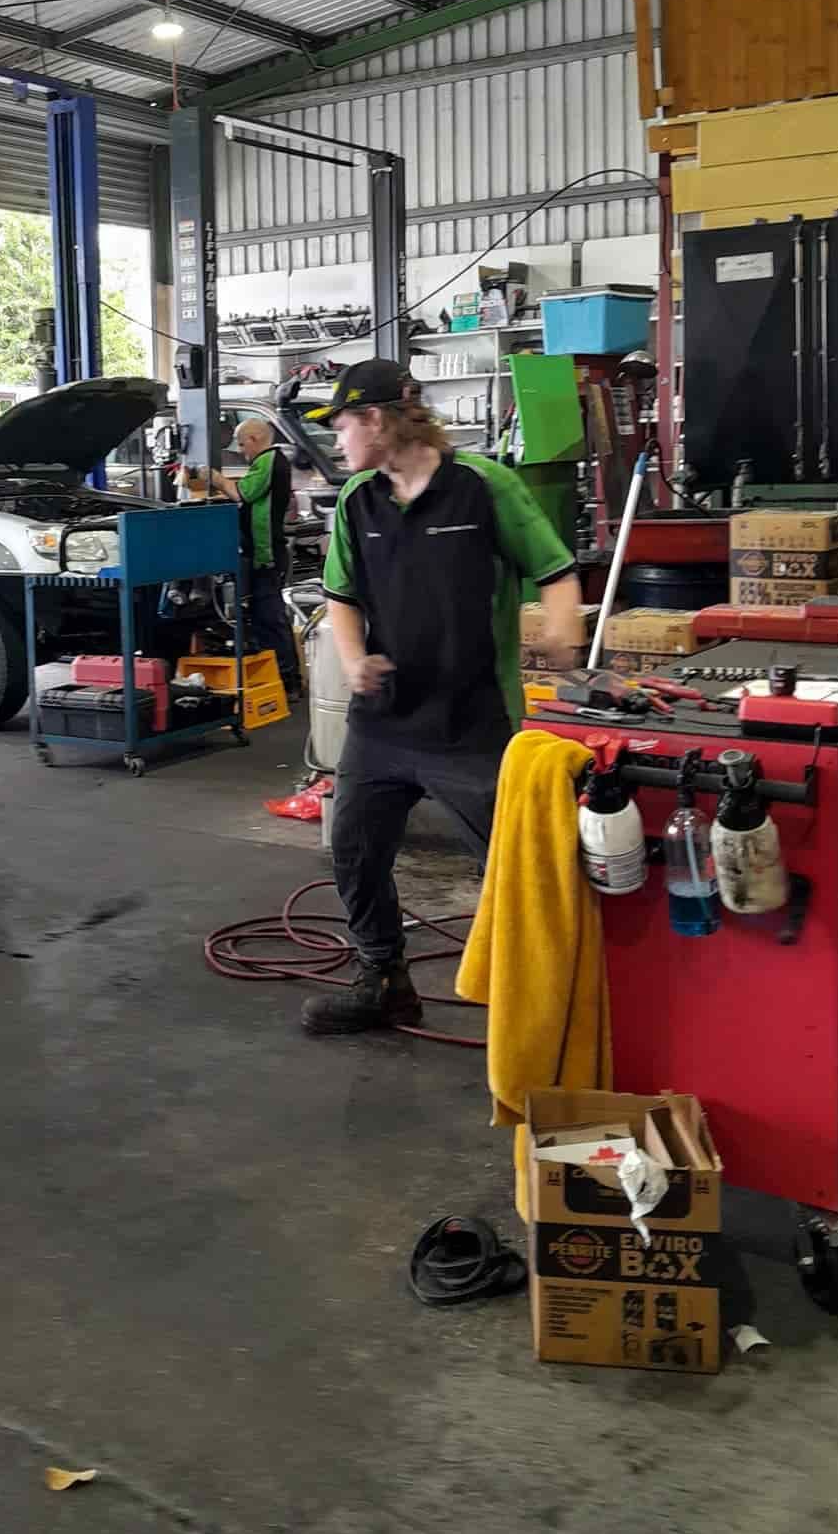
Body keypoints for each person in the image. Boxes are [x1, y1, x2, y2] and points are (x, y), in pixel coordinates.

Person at [297, 359, 581, 1037]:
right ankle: (383, 980)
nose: (338, 443)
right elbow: (340, 597)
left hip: (472, 722)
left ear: (375, 419)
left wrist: (566, 637)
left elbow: (557, 570)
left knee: (519, 869)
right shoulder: (357, 502)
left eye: (341, 426)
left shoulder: (484, 488)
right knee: (355, 852)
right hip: (385, 723)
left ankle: (545, 1010)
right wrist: (355, 658)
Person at [212, 417, 301, 697]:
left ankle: (288, 679)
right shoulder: (267, 463)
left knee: (270, 617)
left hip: (267, 554)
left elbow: (244, 493)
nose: (241, 450)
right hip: (260, 553)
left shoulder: (269, 460)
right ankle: (276, 677)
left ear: (254, 439)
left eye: (241, 443)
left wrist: (214, 478)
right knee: (262, 618)